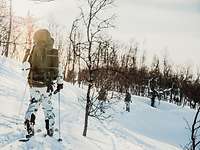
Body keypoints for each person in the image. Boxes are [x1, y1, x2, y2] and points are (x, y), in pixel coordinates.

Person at [23, 29, 63, 138]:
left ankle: (29, 121)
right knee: (47, 107)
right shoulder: (53, 51)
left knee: (34, 103)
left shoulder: (34, 49)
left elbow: (27, 65)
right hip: (47, 85)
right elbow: (58, 69)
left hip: (34, 83)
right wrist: (60, 83)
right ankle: (50, 129)